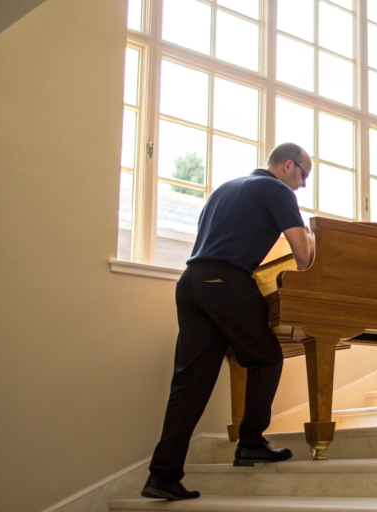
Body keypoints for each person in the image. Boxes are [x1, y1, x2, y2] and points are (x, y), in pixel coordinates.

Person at [142, 143, 317, 501]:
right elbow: (303, 258)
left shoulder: (226, 189)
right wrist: (313, 237)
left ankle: (162, 475)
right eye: (304, 176)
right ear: (288, 165)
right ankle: (250, 442)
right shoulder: (276, 189)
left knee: (190, 383)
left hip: (191, 283)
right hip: (225, 282)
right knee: (267, 356)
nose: (301, 186)